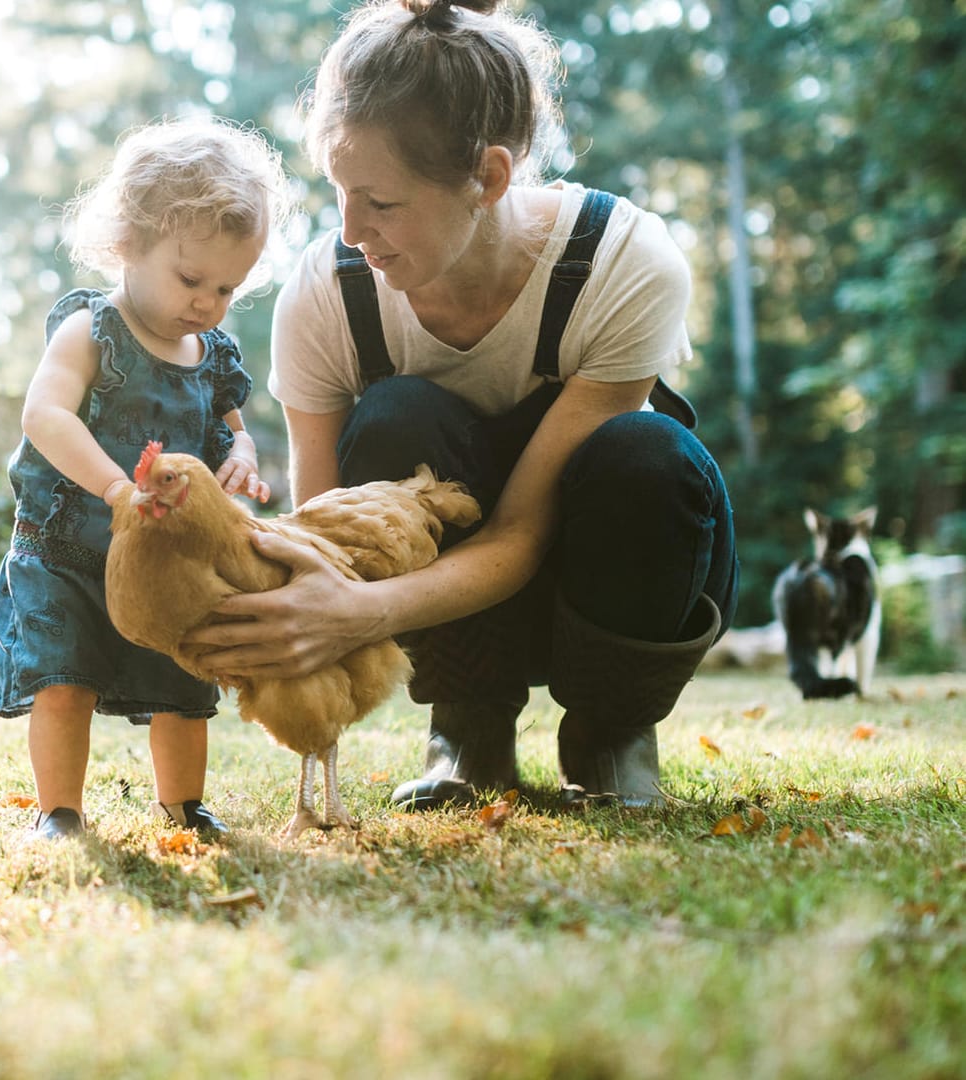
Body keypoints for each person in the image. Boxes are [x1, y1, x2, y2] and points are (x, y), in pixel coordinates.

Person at [183, 0, 739, 810]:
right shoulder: (328, 294)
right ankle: (467, 732)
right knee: (396, 419)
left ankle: (611, 733)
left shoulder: (624, 262)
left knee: (648, 455)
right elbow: (329, 525)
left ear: (488, 176)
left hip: (613, 572)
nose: (351, 229)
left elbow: (519, 535)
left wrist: (360, 615)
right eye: (339, 192)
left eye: (382, 201)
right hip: (446, 609)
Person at [0, 116, 291, 840]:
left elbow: (230, 425)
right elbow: (46, 415)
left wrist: (242, 459)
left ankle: (184, 805)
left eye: (228, 287)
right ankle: (59, 811)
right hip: (66, 548)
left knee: (182, 692)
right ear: (128, 243)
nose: (208, 303)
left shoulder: (213, 354)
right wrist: (115, 489)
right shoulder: (92, 330)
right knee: (62, 682)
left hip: (162, 564)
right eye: (192, 279)